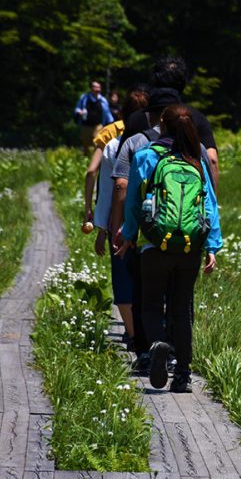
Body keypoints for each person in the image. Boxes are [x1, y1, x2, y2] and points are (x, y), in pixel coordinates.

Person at [117, 105, 222, 393]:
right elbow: (210, 206)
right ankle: (183, 376)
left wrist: (128, 235)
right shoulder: (195, 159)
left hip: (153, 244)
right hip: (190, 247)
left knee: (151, 304)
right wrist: (212, 246)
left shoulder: (145, 157)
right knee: (181, 308)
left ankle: (159, 343)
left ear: (162, 126)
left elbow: (134, 204)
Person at [82, 89, 149, 346]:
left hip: (118, 223)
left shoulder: (113, 141)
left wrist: (100, 226)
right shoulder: (159, 140)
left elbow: (105, 186)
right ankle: (150, 331)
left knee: (123, 280)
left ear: (122, 113)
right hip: (150, 224)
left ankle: (133, 336)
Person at [74, 81, 113, 155]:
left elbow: (108, 113)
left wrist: (111, 123)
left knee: (97, 144)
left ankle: (97, 163)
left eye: (99, 87)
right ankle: (86, 161)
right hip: (86, 125)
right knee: (86, 145)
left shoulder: (103, 100)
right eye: (95, 87)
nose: (97, 89)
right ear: (91, 88)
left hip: (98, 126)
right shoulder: (84, 98)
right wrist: (80, 112)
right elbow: (77, 109)